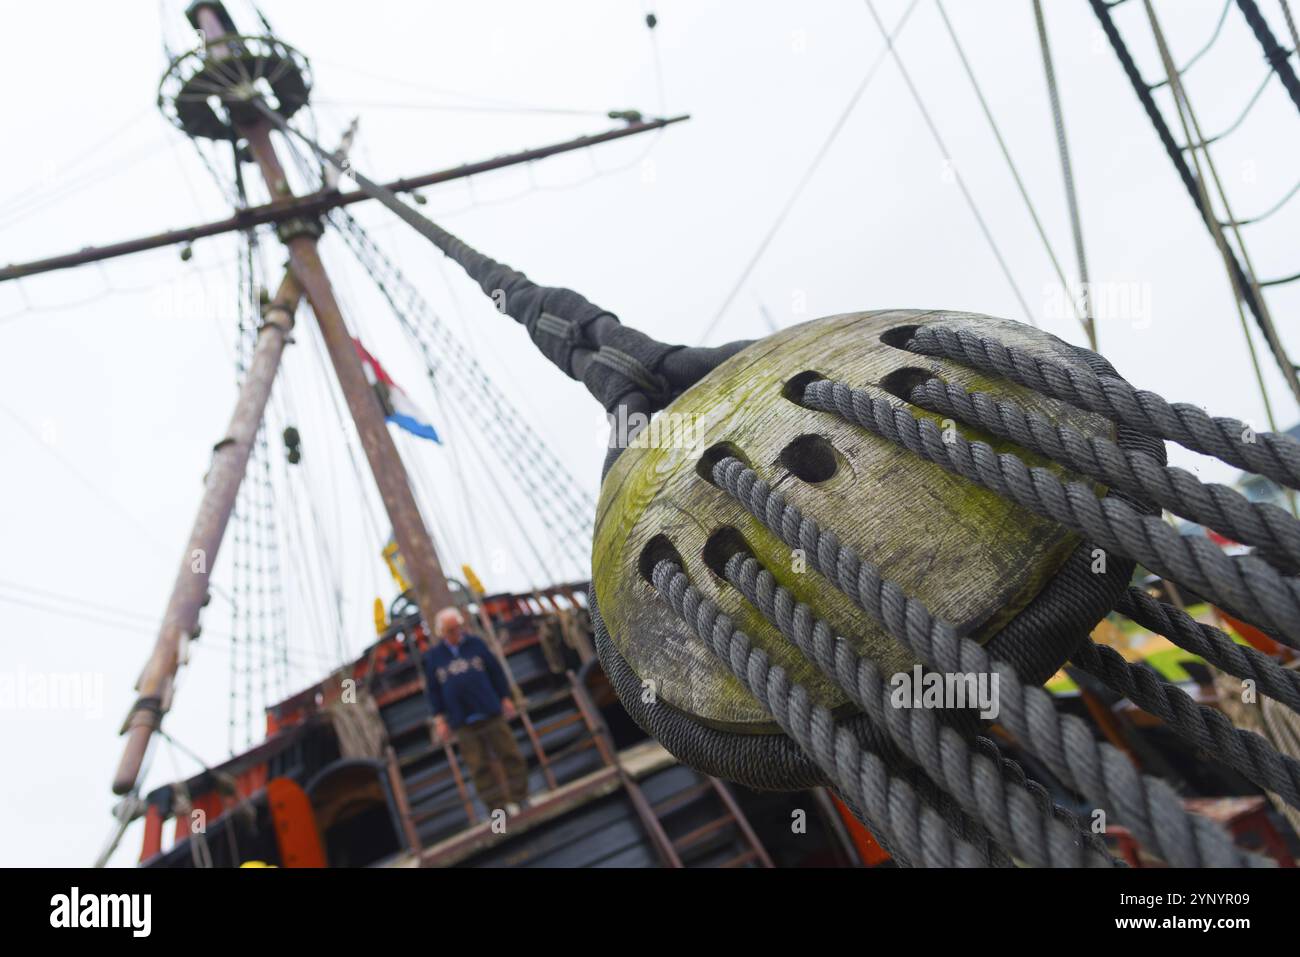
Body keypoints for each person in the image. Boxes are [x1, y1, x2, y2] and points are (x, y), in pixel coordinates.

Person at [422, 607, 530, 814]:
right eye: (450, 630)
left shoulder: (476, 644)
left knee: (510, 754)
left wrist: (505, 698)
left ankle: (521, 798)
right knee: (478, 767)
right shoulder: (434, 657)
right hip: (461, 720)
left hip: (490, 710)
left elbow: (495, 672)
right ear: (441, 632)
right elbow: (433, 690)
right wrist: (440, 719)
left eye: (457, 628)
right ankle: (498, 811)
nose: (456, 633)